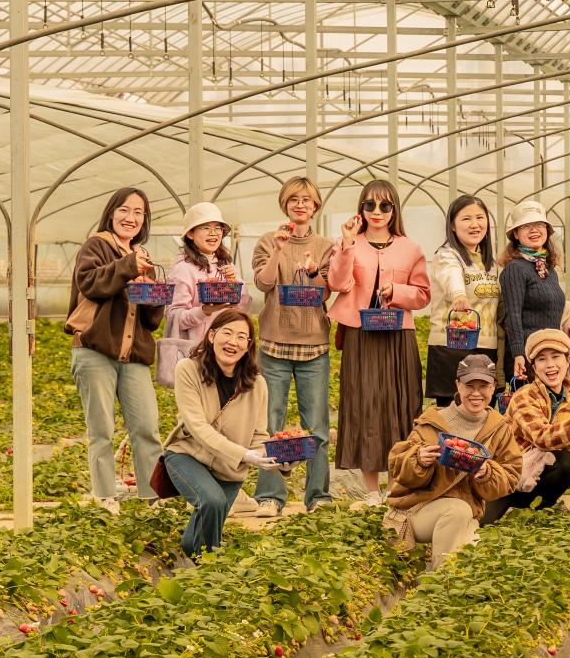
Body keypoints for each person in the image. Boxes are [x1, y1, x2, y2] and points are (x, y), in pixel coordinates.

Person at [328, 179, 430, 501]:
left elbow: (423, 294)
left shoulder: (411, 248)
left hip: (398, 335)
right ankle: (372, 490)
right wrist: (346, 245)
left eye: (385, 205)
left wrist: (396, 291)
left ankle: (397, 484)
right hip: (361, 335)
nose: (377, 211)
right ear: (361, 208)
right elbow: (338, 283)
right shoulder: (348, 243)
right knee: (365, 404)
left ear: (394, 210)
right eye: (370, 204)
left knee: (402, 404)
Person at [68, 187, 165, 505]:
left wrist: (153, 295)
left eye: (139, 212)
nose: (131, 218)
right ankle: (105, 496)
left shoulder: (143, 258)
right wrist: (127, 267)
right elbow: (89, 283)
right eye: (124, 210)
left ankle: (152, 497)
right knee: (101, 429)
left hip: (134, 355)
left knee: (147, 427)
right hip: (95, 351)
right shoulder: (96, 245)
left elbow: (150, 322)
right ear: (111, 213)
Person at [160, 309, 281, 557]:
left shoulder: (257, 384)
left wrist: (273, 456)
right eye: (227, 333)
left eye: (241, 337)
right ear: (212, 335)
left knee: (202, 529)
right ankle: (208, 566)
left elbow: (259, 434)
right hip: (188, 455)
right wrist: (244, 454)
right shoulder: (188, 369)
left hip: (229, 469)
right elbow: (197, 426)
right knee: (213, 501)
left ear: (248, 346)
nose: (233, 342)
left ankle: (195, 561)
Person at [249, 176, 334, 515]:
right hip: (274, 346)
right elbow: (263, 283)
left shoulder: (326, 246)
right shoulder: (267, 241)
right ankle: (270, 495)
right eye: (294, 199)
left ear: (315, 206)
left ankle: (318, 495)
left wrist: (313, 271)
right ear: (285, 204)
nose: (300, 204)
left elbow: (326, 292)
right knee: (271, 423)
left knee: (317, 426)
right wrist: (279, 250)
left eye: (306, 200)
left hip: (314, 347)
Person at [384, 353, 514, 568]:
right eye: (469, 385)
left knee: (473, 555)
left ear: (493, 388)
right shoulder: (432, 423)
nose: (476, 393)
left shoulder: (499, 429)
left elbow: (510, 475)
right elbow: (398, 468)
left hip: (465, 515)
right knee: (457, 510)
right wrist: (419, 460)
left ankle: (443, 581)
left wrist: (487, 473)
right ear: (458, 385)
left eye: (483, 386)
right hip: (418, 511)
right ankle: (438, 580)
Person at [491, 328, 570, 520]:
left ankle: (540, 510)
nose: (550, 365)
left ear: (567, 360)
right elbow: (542, 437)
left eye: (556, 357)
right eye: (542, 359)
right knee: (480, 523)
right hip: (509, 474)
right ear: (534, 367)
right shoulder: (524, 396)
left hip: (538, 473)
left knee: (566, 462)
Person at [159, 201, 252, 386]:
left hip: (226, 352)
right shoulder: (183, 270)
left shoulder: (226, 265)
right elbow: (175, 317)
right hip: (197, 354)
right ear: (190, 234)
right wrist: (205, 311)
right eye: (205, 227)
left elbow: (243, 307)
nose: (213, 233)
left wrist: (235, 282)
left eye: (218, 228)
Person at [425, 194, 499, 406]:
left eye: (480, 218)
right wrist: (459, 295)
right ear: (453, 226)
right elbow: (451, 276)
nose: (475, 224)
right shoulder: (446, 255)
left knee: (483, 412)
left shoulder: (490, 262)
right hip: (452, 347)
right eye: (466, 219)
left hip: (486, 346)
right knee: (452, 413)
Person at [498, 198, 566, 388]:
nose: (534, 230)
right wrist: (518, 354)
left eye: (539, 224)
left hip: (549, 354)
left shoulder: (548, 268)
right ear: (516, 234)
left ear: (547, 230)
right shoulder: (515, 269)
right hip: (528, 357)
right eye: (526, 226)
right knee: (529, 404)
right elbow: (512, 315)